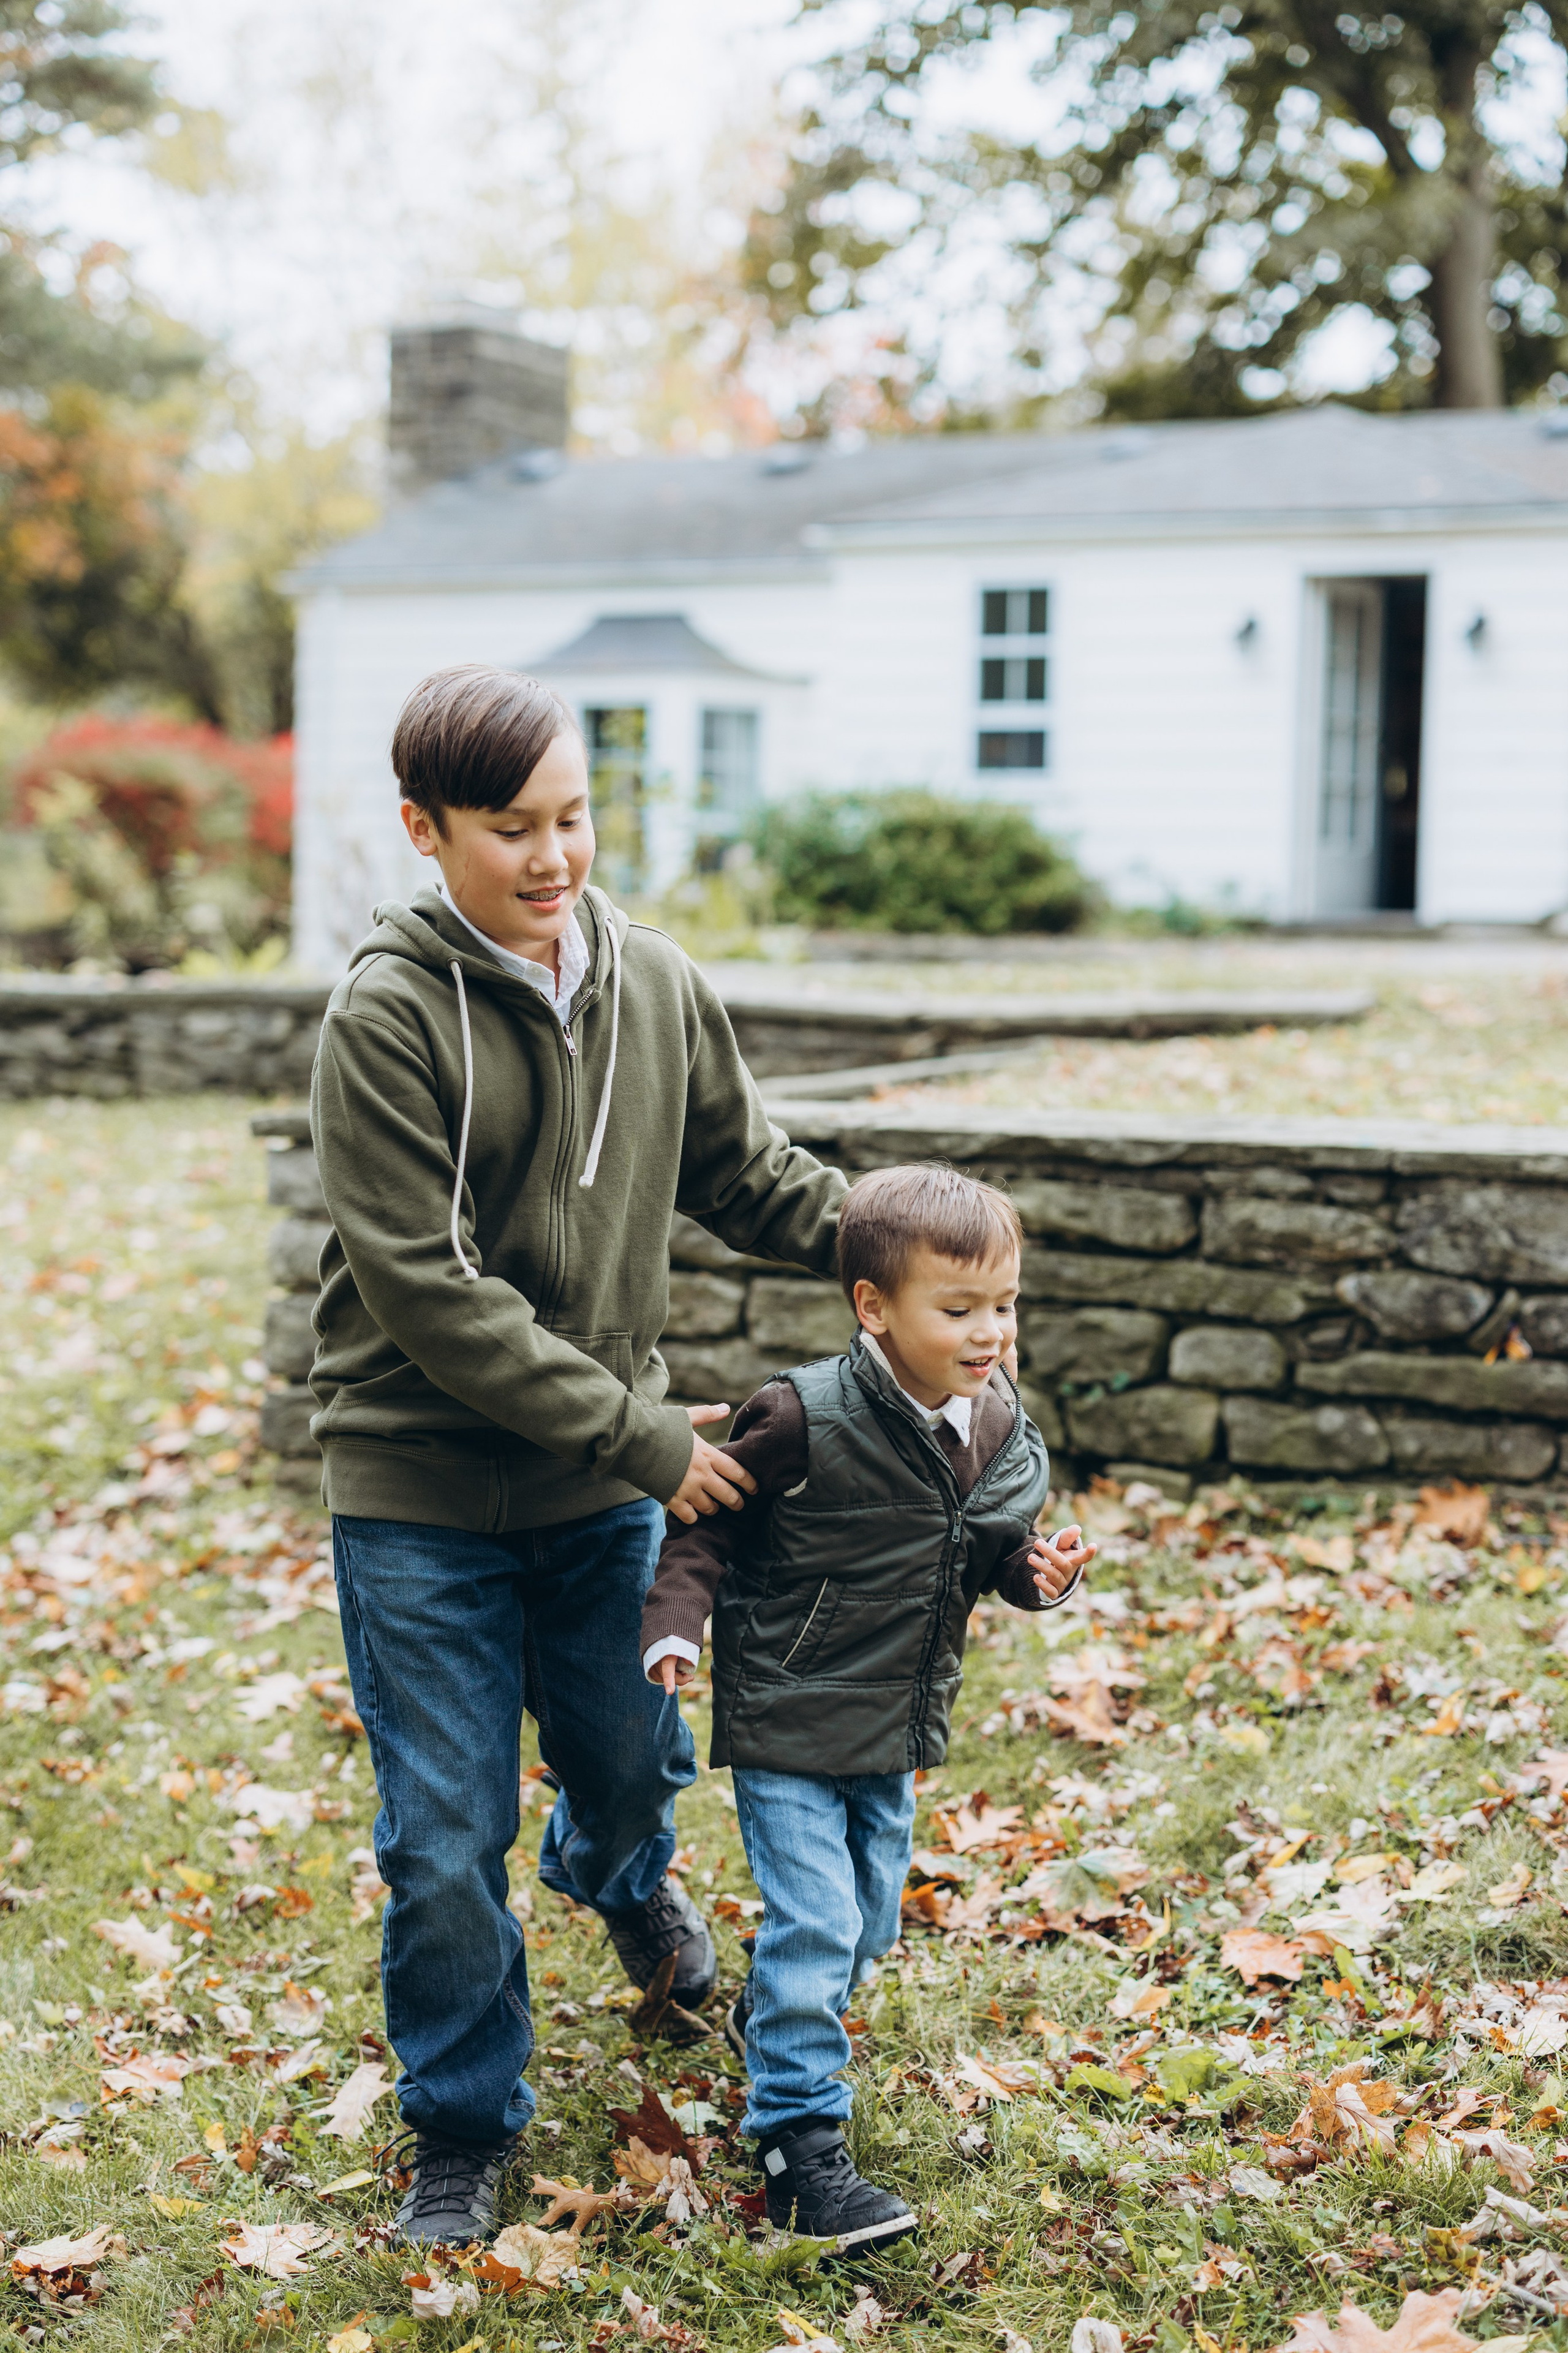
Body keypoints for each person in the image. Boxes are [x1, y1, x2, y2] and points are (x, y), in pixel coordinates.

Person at [309, 664, 848, 2246]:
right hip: (423, 1495)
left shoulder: (658, 982)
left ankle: (620, 1882)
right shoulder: (387, 1016)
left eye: (574, 817)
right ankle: (464, 2129)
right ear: (425, 829)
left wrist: (899, 1235)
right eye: (511, 830)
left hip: (605, 1490)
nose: (554, 859)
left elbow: (747, 1174)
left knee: (634, 1766)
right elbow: (427, 1288)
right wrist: (645, 1439)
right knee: (441, 1841)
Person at [639, 1163, 1096, 2250]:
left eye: (1005, 1303)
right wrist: (674, 1621)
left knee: (869, 1921)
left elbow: (980, 1552)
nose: (989, 1332)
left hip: (893, 1718)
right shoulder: (803, 1414)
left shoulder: (993, 1420)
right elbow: (708, 1521)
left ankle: (769, 2018)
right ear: (874, 1308)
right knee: (817, 1920)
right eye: (959, 1309)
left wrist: (1038, 1574)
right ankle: (800, 2149)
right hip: (793, 1711)